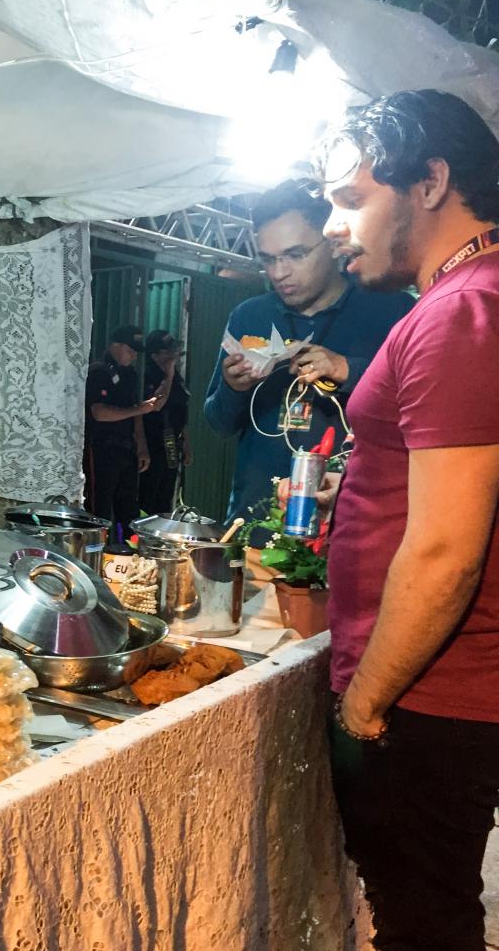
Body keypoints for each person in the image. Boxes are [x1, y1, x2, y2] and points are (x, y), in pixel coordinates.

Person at [315, 89, 499, 951]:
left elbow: (444, 554)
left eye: (352, 200)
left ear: (430, 181)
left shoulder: (462, 312)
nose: (332, 227)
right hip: (439, 690)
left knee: (423, 925)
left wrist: (363, 708)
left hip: (428, 698)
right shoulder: (466, 301)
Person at [203, 179, 413, 525]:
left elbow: (423, 416)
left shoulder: (390, 311)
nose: (279, 273)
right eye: (268, 260)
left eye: (296, 255)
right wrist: (233, 388)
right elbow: (219, 423)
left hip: (352, 525)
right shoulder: (250, 316)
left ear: (332, 243)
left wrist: (350, 370)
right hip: (254, 521)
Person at [85, 325, 167, 532]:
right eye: (130, 350)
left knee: (128, 510)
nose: (133, 355)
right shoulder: (99, 371)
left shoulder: (129, 374)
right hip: (102, 449)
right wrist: (138, 409)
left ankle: (127, 554)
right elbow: (99, 413)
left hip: (126, 449)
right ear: (115, 345)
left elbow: (136, 411)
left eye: (136, 352)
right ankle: (97, 553)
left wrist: (141, 445)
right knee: (99, 510)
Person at [138, 329, 190, 513]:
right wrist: (168, 374)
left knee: (166, 495)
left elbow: (182, 410)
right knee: (149, 496)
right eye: (168, 352)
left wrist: (185, 443)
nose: (173, 355)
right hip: (153, 443)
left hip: (171, 444)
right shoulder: (148, 376)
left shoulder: (177, 378)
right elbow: (157, 404)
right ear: (155, 355)